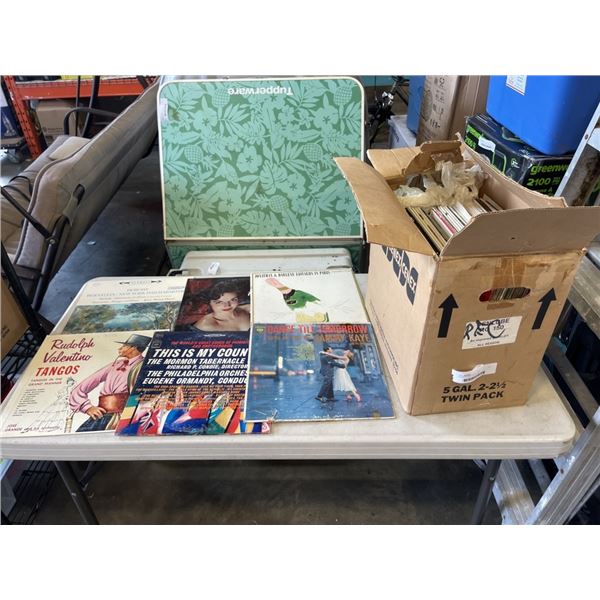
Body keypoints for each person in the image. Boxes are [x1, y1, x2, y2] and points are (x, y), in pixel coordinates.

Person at [69, 334, 152, 432]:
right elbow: (81, 388)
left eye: (124, 346)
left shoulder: (146, 365)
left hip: (129, 416)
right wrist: (87, 408)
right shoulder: (114, 365)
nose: (119, 348)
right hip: (102, 416)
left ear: (133, 348)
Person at [186, 280, 250, 332]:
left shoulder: (246, 310)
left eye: (232, 299)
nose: (227, 305)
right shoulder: (205, 325)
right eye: (219, 302)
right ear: (209, 303)